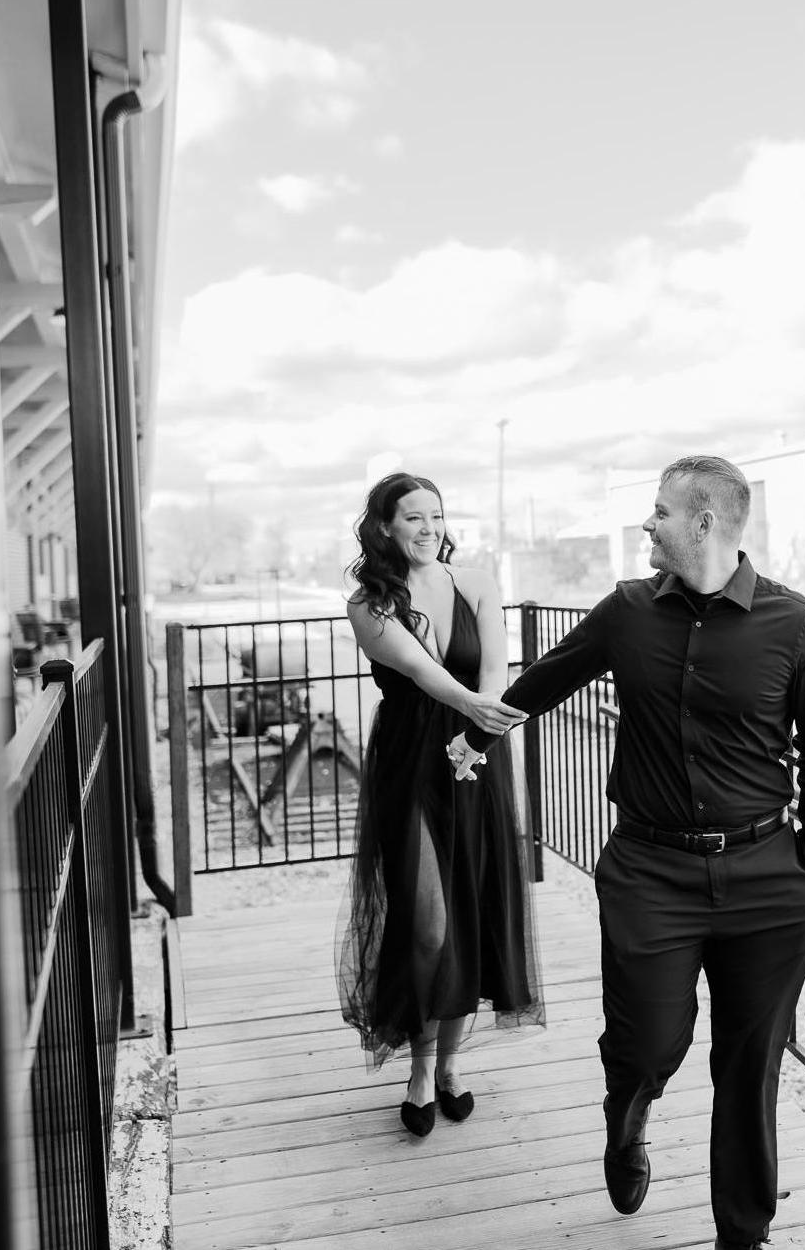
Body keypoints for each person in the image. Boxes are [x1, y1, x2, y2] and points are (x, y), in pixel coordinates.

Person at [449, 455, 805, 1250]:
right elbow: (547, 679)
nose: (647, 523)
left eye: (660, 511)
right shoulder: (627, 612)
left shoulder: (795, 623)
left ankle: (744, 1235)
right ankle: (627, 1113)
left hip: (768, 881)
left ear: (703, 522)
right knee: (647, 1042)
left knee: (750, 1066)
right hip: (650, 872)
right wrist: (474, 736)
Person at [336, 471, 543, 1138]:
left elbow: (494, 669)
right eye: (412, 517)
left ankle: (450, 1067)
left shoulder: (476, 581)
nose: (428, 527)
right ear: (385, 527)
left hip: (476, 756)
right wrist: (474, 716)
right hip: (412, 759)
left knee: (475, 911)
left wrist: (480, 737)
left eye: (436, 515)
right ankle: (419, 1068)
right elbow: (425, 674)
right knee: (428, 923)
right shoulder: (368, 602)